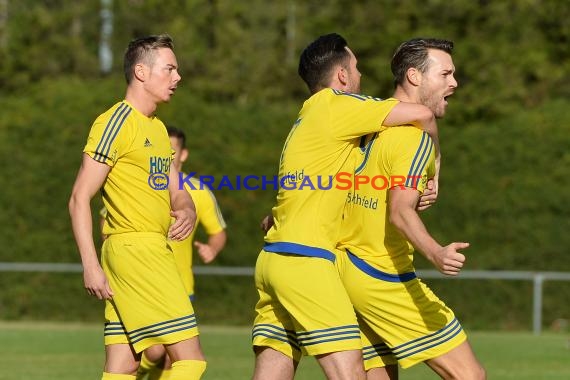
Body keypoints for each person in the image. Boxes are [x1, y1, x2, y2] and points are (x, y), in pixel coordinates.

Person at [251, 33, 440, 380]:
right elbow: (424, 115)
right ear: (341, 76)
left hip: (273, 258)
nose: (360, 75)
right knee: (351, 371)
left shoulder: (306, 117)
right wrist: (434, 175)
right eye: (356, 68)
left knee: (273, 367)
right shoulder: (340, 105)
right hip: (305, 259)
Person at [336, 38, 486, 379]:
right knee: (470, 376)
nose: (454, 83)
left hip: (341, 270)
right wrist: (436, 252)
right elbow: (400, 211)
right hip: (381, 274)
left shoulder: (358, 123)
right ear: (415, 76)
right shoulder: (413, 139)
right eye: (446, 74)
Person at [68, 34, 207, 380]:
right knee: (191, 361)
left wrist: (188, 210)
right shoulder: (115, 122)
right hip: (137, 251)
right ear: (141, 72)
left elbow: (179, 191)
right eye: (170, 69)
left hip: (142, 251)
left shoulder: (158, 130)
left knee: (124, 365)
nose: (178, 77)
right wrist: (89, 264)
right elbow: (79, 197)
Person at [136, 126, 227, 380]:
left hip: (180, 286)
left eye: (172, 151)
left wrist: (212, 247)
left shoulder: (197, 191)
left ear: (183, 155)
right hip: (142, 282)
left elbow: (218, 232)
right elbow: (105, 222)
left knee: (173, 356)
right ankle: (136, 371)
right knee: (154, 351)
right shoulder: (138, 184)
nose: (166, 155)